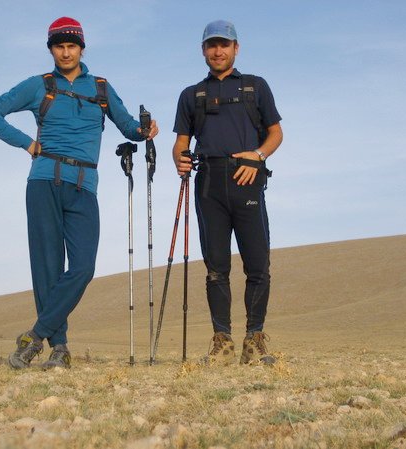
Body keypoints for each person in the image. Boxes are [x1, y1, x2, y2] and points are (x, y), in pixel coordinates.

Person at [0, 17, 158, 370]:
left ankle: (35, 335)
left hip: (84, 185)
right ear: (51, 49)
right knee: (46, 268)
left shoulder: (102, 88)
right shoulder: (38, 85)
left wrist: (144, 130)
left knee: (82, 267)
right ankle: (59, 348)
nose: (65, 52)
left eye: (71, 45)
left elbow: (128, 127)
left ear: (81, 49)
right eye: (58, 46)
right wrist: (27, 144)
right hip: (44, 181)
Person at [172, 20, 283, 365]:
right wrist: (179, 160)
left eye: (224, 45)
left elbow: (276, 133)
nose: (217, 51)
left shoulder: (255, 87)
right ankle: (222, 342)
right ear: (203, 50)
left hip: (248, 178)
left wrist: (258, 156)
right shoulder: (192, 95)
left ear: (236, 48)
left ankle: (254, 340)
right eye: (211, 45)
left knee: (257, 264)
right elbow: (180, 143)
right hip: (209, 182)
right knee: (216, 267)